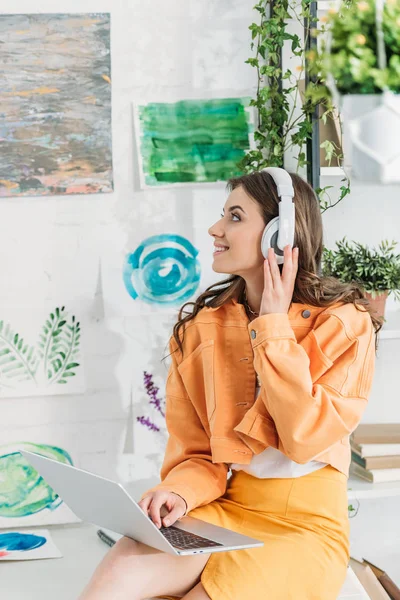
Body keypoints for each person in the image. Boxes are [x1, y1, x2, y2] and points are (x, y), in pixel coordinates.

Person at [79, 169, 381, 600]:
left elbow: (303, 437)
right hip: (221, 509)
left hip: (304, 527)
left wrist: (273, 328)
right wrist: (179, 494)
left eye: (235, 217)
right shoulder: (203, 328)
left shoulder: (344, 325)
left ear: (280, 234)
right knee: (115, 577)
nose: (215, 229)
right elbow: (198, 454)